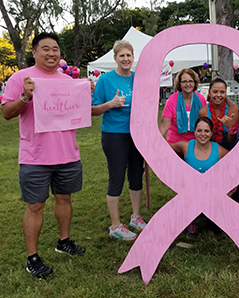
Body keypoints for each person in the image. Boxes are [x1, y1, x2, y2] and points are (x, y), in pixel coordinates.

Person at [1, 32, 88, 279]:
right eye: (45, 49)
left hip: (67, 153)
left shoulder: (68, 80)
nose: (51, 53)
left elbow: (81, 111)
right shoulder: (20, 78)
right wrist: (25, 97)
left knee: (64, 198)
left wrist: (85, 91)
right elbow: (7, 113)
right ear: (35, 52)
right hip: (35, 156)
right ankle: (33, 257)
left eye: (55, 49)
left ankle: (64, 241)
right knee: (36, 205)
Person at [92, 40, 146, 241]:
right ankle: (115, 226)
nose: (125, 59)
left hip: (137, 135)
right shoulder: (106, 80)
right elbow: (92, 109)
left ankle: (136, 217)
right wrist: (111, 104)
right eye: (121, 56)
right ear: (115, 58)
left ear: (133, 58)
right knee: (117, 177)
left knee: (136, 175)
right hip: (115, 135)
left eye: (129, 55)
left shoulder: (138, 78)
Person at [169, 116, 229, 236]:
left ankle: (214, 216)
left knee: (217, 230)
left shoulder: (220, 151)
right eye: (199, 130)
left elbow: (235, 166)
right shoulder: (185, 146)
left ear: (211, 133)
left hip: (212, 194)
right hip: (190, 194)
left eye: (206, 131)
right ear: (194, 131)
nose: (203, 134)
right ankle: (192, 221)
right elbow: (163, 147)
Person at [198, 78, 239, 202]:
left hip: (234, 145)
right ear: (209, 93)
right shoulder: (203, 112)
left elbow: (232, 140)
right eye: (215, 91)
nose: (218, 95)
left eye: (222, 92)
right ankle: (213, 201)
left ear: (226, 93)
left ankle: (234, 205)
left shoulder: (232, 110)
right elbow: (204, 136)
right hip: (215, 146)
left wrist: (231, 128)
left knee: (233, 177)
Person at [159, 69, 207, 143]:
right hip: (175, 143)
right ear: (179, 83)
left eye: (191, 81)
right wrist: (154, 144)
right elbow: (163, 126)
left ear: (195, 83)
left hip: (197, 143)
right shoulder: (172, 100)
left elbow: (206, 123)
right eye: (184, 81)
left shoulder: (201, 99)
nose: (188, 84)